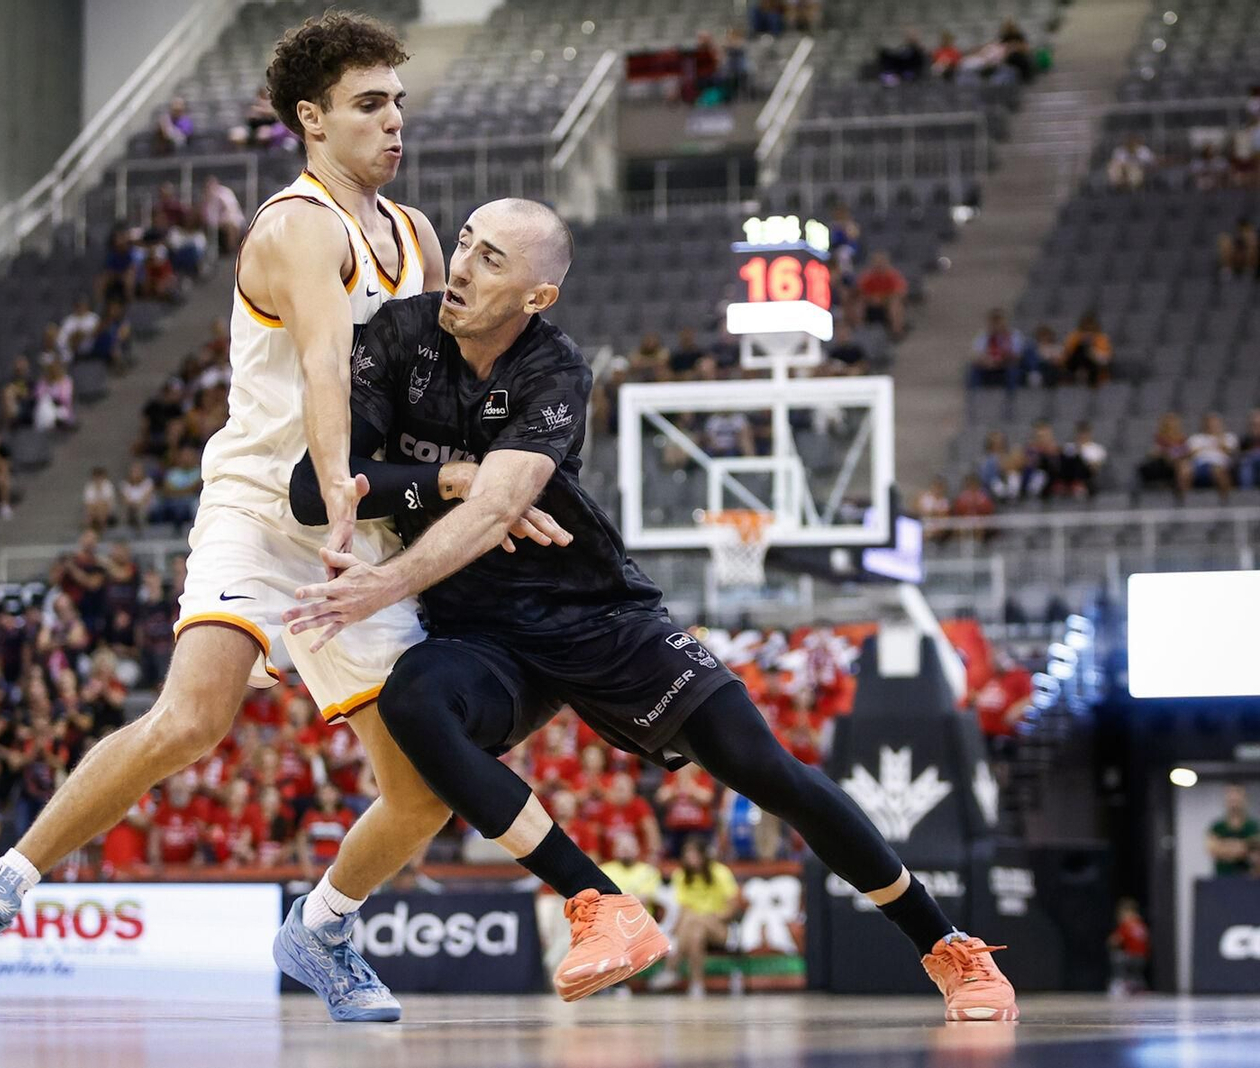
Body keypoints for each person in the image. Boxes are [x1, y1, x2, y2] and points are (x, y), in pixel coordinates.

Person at [287, 199, 1020, 1020]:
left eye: (492, 259)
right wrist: (450, 478)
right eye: (464, 243)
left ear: (537, 296)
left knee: (764, 767)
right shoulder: (399, 336)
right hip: (480, 633)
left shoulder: (554, 371)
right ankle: (598, 903)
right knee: (414, 702)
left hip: (594, 611)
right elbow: (315, 490)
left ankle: (948, 947)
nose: (460, 268)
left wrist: (392, 569)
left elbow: (499, 507)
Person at [0, 12, 470, 1026]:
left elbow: (437, 390)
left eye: (397, 103)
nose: (393, 121)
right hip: (266, 510)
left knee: (425, 789)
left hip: (363, 527)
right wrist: (338, 488)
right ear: (312, 120)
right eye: (369, 104)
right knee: (191, 718)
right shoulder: (296, 226)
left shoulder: (415, 235)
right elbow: (323, 364)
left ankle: (322, 929)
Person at [650, 836, 740, 998]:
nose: (690, 858)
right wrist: (676, 930)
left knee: (694, 919)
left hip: (720, 927)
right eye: (687, 854)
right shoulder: (681, 875)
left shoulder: (720, 872)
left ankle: (671, 969)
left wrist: (714, 917)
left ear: (703, 855)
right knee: (696, 932)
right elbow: (683, 908)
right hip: (694, 927)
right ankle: (697, 985)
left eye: (694, 854)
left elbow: (733, 905)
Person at [1208, 784, 1258, 877]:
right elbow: (1212, 849)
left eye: (1237, 798)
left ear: (1245, 800)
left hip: (1248, 878)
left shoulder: (1253, 826)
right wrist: (1244, 846)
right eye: (1231, 799)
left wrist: (1225, 847)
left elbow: (1256, 848)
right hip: (1222, 878)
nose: (1234, 802)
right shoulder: (1217, 827)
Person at [1186, 413, 1237, 502]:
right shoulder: (1196, 438)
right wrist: (1215, 447)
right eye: (1209, 423)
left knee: (1218, 471)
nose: (1212, 425)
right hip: (1199, 466)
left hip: (1220, 465)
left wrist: (1218, 439)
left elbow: (1229, 451)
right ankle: (1185, 501)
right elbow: (1191, 453)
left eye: (1214, 423)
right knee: (1184, 470)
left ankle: (1226, 501)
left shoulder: (1228, 437)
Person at [1107, 898, 1149, 997]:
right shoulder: (1141, 924)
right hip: (1142, 957)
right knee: (1136, 973)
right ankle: (1138, 986)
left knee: (1117, 958)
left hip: (1131, 956)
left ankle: (1119, 984)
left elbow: (1115, 940)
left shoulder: (1127, 925)